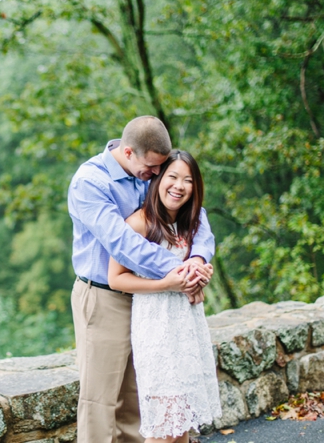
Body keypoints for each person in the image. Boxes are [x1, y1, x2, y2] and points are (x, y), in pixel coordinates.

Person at [68, 116, 215, 443]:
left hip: (150, 302)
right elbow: (123, 243)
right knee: (101, 399)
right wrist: (180, 272)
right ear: (128, 151)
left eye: (159, 169)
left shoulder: (149, 169)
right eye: (151, 169)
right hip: (104, 296)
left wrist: (197, 258)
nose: (156, 176)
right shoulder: (91, 182)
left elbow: (196, 216)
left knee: (139, 400)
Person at [107, 149, 222, 442]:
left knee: (181, 423)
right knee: (163, 426)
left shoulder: (192, 221)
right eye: (172, 176)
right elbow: (116, 279)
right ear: (158, 179)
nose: (179, 186)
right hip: (156, 326)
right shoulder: (139, 223)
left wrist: (200, 271)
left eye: (187, 180)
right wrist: (166, 285)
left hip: (187, 325)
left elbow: (199, 256)